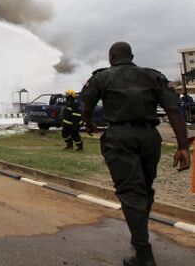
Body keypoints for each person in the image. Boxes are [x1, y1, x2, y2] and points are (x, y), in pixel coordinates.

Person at [80, 42, 190, 266]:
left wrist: (89, 124)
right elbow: (173, 111)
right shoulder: (154, 76)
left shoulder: (102, 78)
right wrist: (183, 147)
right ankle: (139, 233)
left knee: (131, 192)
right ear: (132, 56)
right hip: (150, 137)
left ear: (111, 57)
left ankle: (143, 253)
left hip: (119, 137)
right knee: (145, 189)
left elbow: (86, 105)